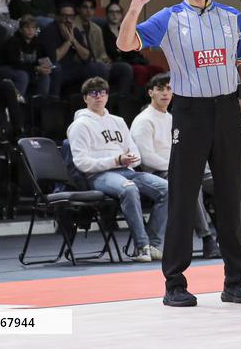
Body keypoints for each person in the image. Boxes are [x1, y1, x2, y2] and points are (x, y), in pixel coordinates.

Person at [116, 0, 241, 308]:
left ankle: (235, 281)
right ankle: (175, 284)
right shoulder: (169, 18)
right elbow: (123, 44)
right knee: (182, 196)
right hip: (191, 112)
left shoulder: (232, 17)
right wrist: (136, 5)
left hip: (227, 110)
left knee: (231, 195)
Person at [68, 76, 169, 262]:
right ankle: (142, 246)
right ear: (85, 98)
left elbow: (135, 151)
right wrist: (115, 160)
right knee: (129, 188)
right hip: (99, 175)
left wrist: (130, 159)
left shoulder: (118, 121)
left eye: (102, 93)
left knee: (168, 189)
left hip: (126, 170)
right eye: (93, 93)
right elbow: (82, 163)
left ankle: (154, 243)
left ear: (107, 96)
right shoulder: (79, 125)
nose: (98, 97)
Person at [130, 73, 221, 260]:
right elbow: (146, 158)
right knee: (191, 184)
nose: (165, 93)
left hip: (184, 167)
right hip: (160, 172)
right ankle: (207, 238)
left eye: (169, 89)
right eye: (160, 89)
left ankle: (238, 238)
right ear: (150, 93)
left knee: (236, 183)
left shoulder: (173, 117)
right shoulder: (143, 120)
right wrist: (182, 166)